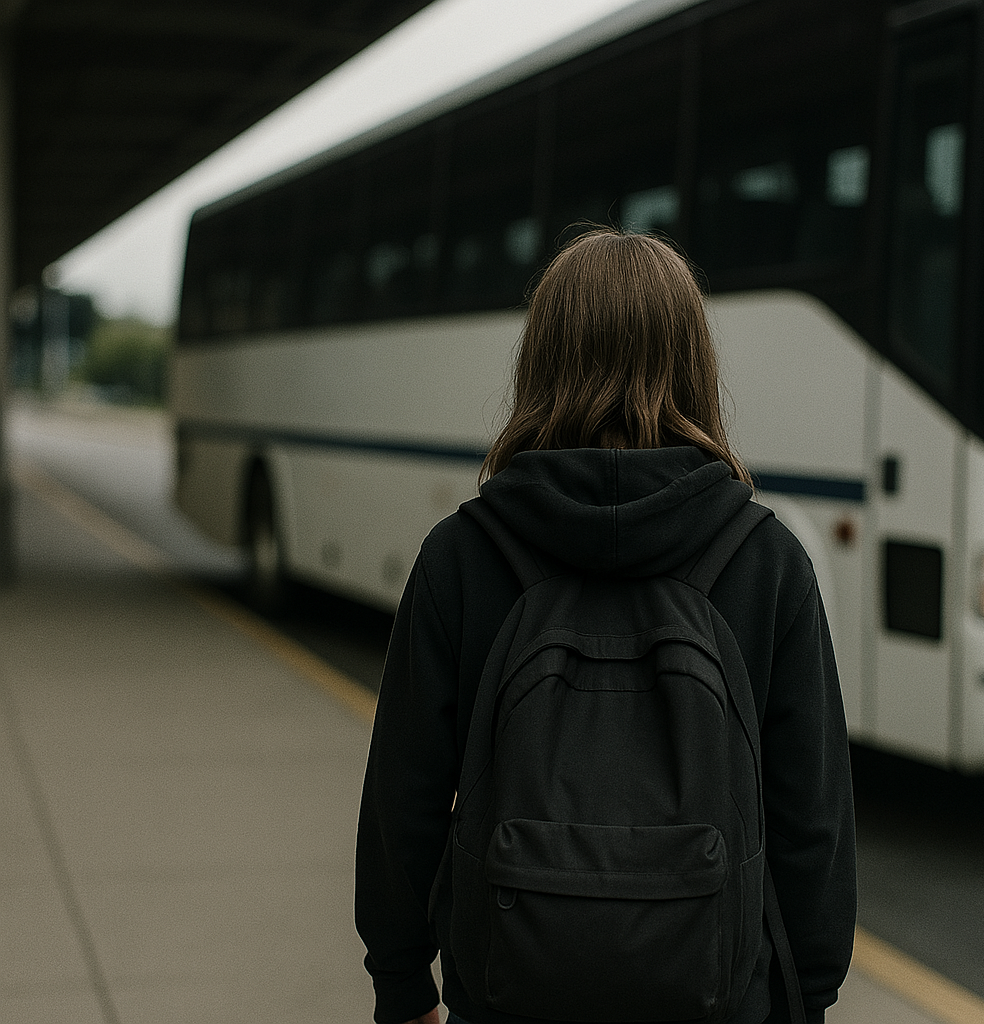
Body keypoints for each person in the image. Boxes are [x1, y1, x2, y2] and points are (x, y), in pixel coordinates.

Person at [355, 227, 856, 1024]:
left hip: (507, 992)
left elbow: (404, 795)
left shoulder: (464, 553)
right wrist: (812, 994)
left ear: (540, 363)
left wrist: (401, 981)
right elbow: (812, 820)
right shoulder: (764, 559)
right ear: (695, 365)